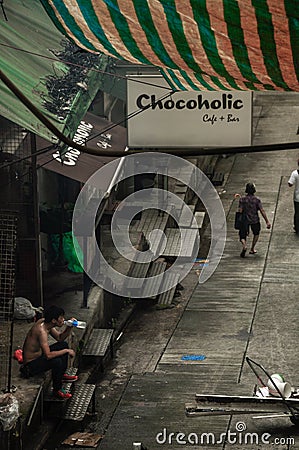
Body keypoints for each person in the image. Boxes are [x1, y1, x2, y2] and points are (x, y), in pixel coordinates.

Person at [20, 305, 78, 399]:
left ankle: (62, 375)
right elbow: (48, 356)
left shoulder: (46, 323)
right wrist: (66, 351)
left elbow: (59, 338)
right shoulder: (42, 331)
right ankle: (57, 390)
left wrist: (69, 327)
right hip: (30, 365)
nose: (63, 320)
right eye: (61, 318)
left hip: (39, 356)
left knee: (63, 344)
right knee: (57, 361)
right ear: (54, 320)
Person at [238, 183, 271, 257]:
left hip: (245, 220)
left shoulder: (242, 199)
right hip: (254, 219)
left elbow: (240, 210)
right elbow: (262, 211)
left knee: (242, 235)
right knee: (256, 233)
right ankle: (252, 248)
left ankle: (244, 245)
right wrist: (267, 221)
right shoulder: (257, 200)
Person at [288, 159, 299, 234]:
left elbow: (290, 184)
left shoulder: (295, 173)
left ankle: (297, 227)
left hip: (297, 197)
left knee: (297, 212)